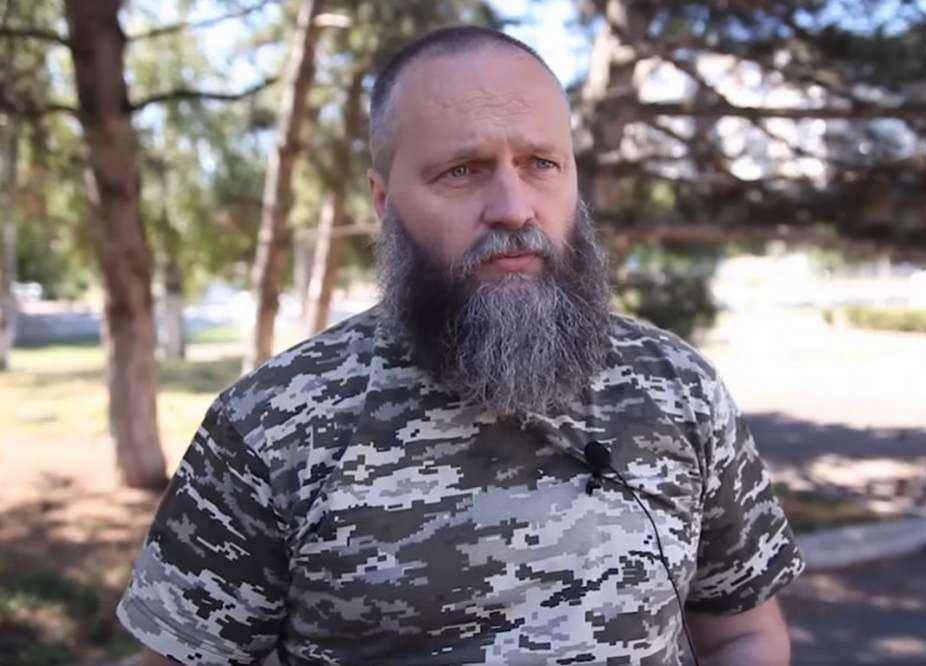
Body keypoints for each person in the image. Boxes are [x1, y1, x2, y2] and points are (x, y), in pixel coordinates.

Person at [119, 26, 804, 666]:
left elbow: (742, 630)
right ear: (383, 201)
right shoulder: (269, 426)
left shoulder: (678, 387)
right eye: (462, 170)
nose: (513, 206)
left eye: (541, 164)